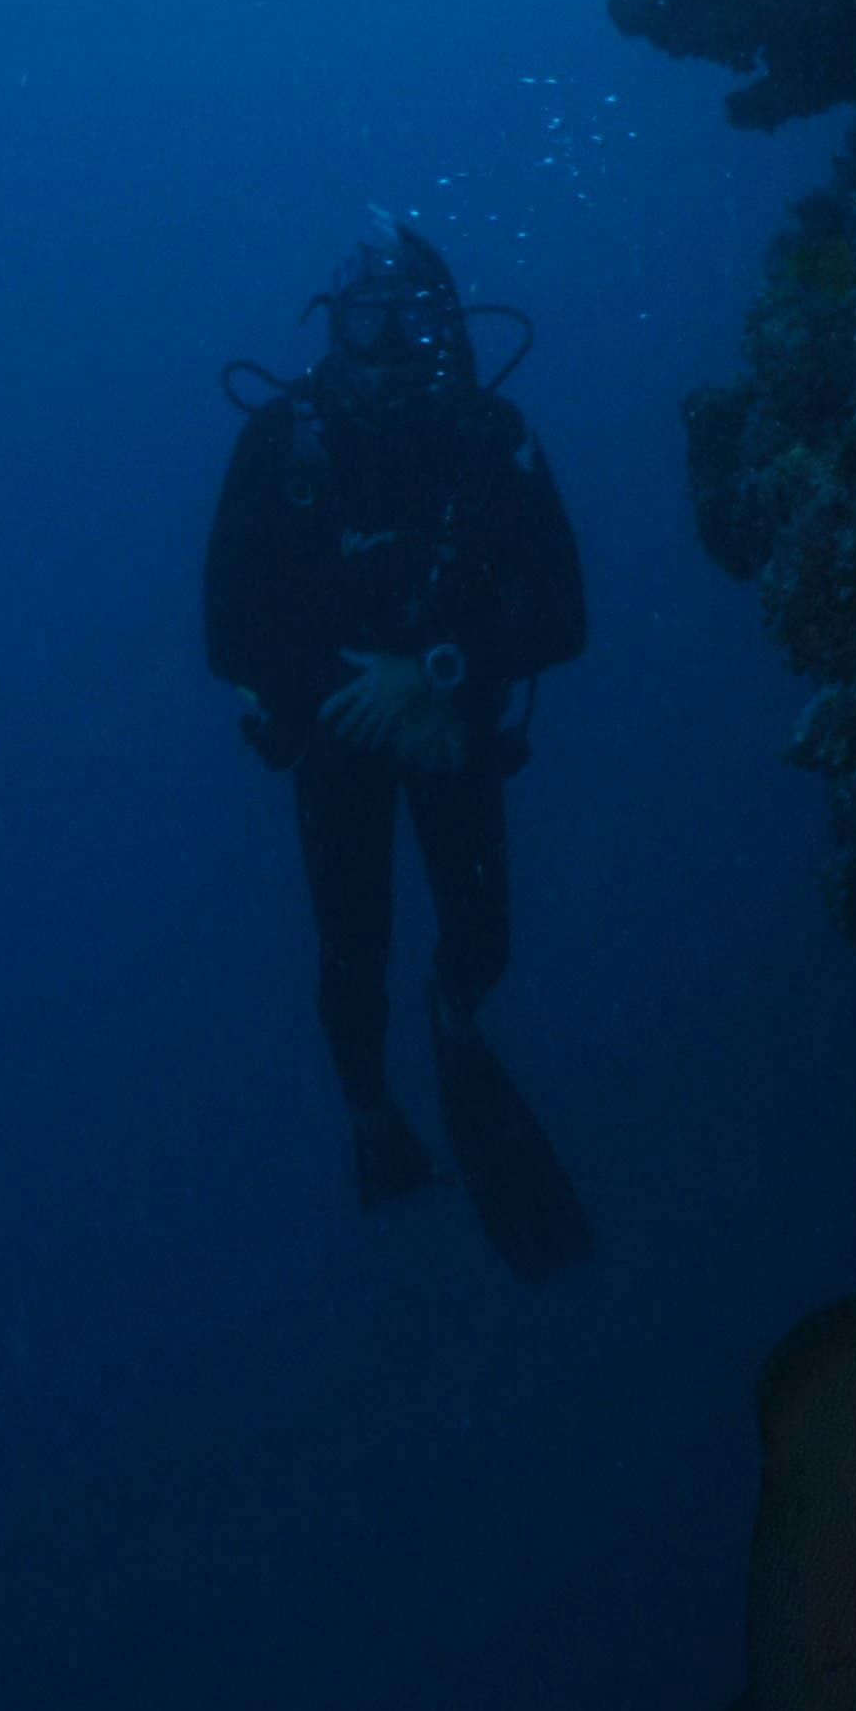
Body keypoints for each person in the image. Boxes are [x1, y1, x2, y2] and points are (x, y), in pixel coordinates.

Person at [206, 220, 595, 1279]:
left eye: (413, 317)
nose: (387, 342)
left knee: (481, 936)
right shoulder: (284, 440)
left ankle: (452, 1024)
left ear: (447, 327)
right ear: (331, 328)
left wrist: (433, 678)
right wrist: (362, 696)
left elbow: (563, 613)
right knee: (351, 948)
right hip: (340, 737)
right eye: (365, 318)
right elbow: (225, 632)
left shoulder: (491, 435)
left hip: (447, 726)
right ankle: (375, 1119)